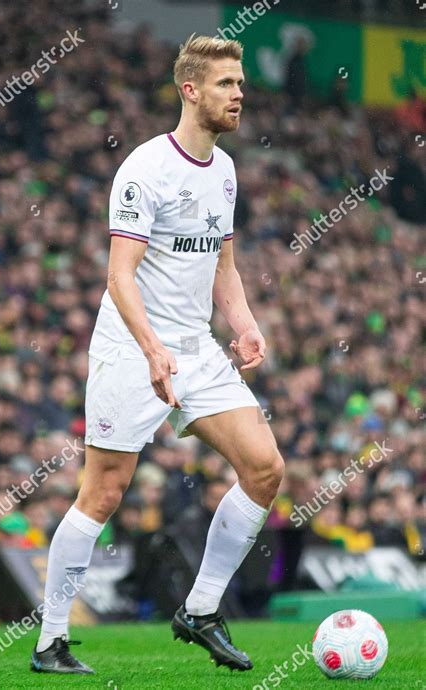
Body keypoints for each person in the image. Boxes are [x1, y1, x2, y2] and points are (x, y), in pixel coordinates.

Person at [31, 33, 284, 675]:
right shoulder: (145, 168)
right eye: (227, 84)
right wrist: (151, 351)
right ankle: (50, 642)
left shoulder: (223, 170)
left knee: (265, 467)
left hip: (195, 349)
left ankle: (199, 610)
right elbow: (120, 277)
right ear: (190, 90)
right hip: (129, 347)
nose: (239, 94)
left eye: (242, 84)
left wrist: (246, 325)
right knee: (104, 492)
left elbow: (223, 264)